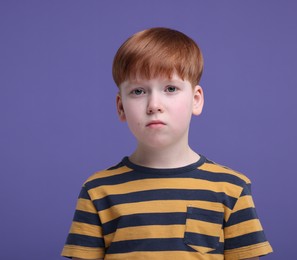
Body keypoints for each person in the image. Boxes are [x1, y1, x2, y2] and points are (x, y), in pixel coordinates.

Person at [61, 27, 273, 260]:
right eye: (138, 91)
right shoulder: (97, 192)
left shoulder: (232, 189)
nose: (154, 105)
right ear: (121, 107)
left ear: (196, 100)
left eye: (170, 88)